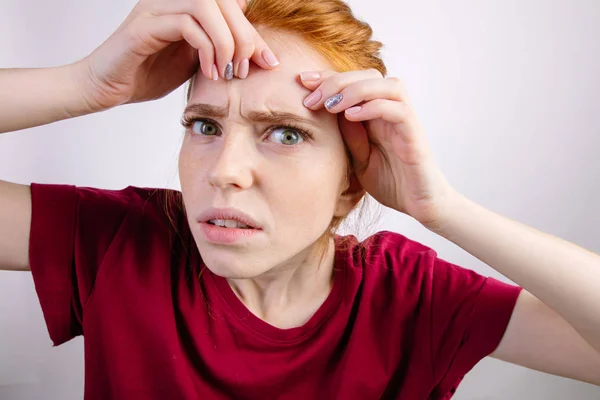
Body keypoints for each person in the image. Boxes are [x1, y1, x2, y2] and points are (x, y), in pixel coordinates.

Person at [1, 0, 599, 398]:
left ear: (351, 179)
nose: (225, 172)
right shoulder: (121, 241)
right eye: (205, 126)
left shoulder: (408, 295)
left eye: (285, 133)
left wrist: (440, 207)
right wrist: (89, 82)